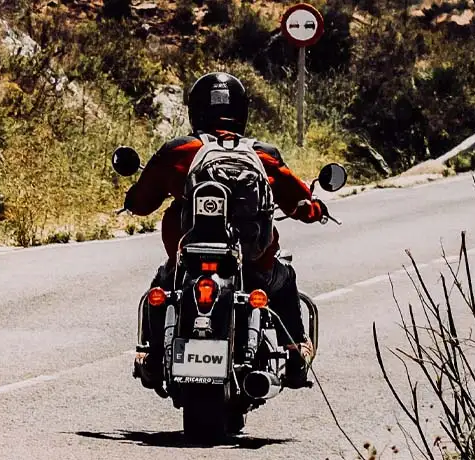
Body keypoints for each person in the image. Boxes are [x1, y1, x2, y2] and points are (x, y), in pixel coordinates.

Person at [125, 71, 327, 394]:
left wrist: (132, 200)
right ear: (242, 112)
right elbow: (299, 200)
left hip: (187, 263)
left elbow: (142, 201)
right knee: (284, 281)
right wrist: (315, 210)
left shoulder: (180, 151)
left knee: (161, 288)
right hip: (251, 265)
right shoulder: (263, 155)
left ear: (195, 110)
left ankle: (149, 356)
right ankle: (294, 353)